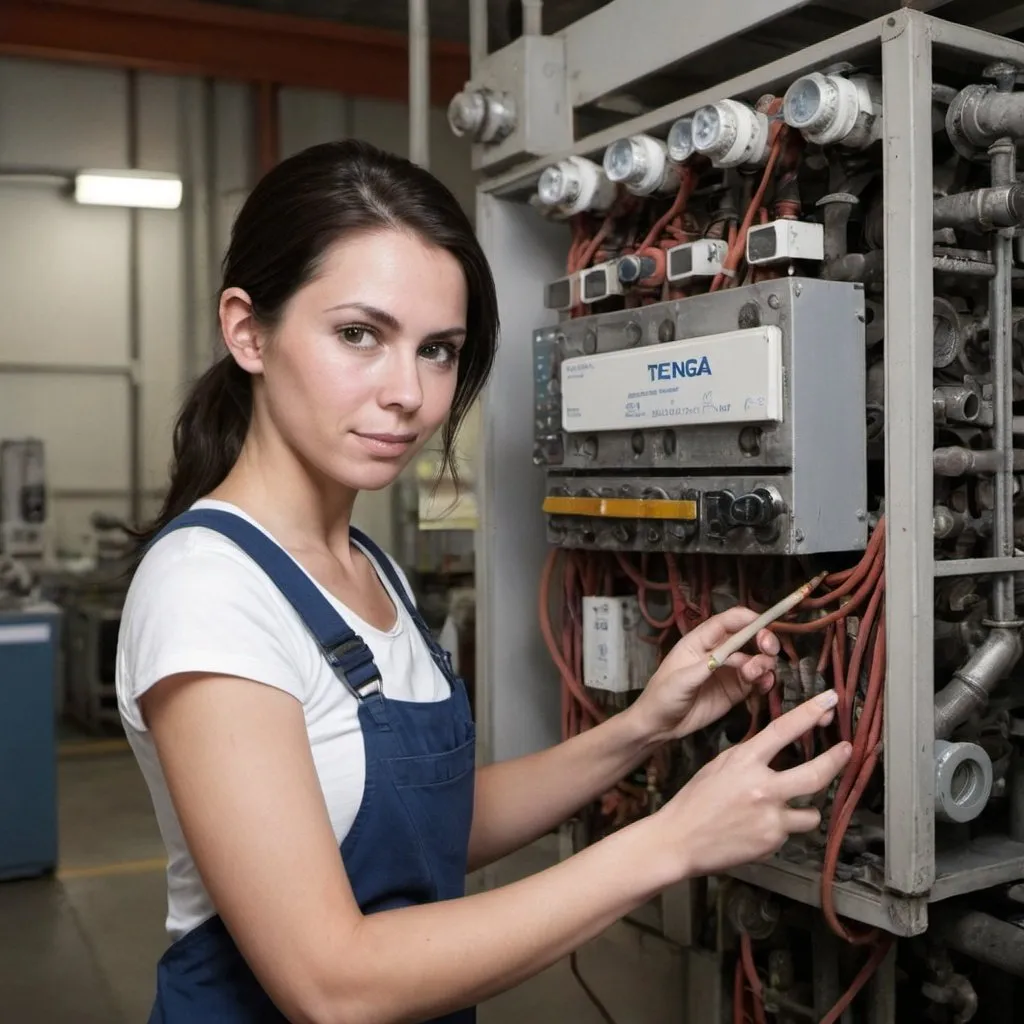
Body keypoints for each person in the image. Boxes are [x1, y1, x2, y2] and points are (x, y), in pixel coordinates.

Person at [115, 139, 852, 1024]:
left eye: (438, 351)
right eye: (359, 334)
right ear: (248, 330)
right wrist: (674, 840)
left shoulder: (366, 567)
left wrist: (645, 725)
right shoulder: (209, 591)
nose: (410, 395)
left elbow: (429, 832)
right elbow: (331, 983)